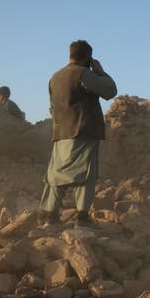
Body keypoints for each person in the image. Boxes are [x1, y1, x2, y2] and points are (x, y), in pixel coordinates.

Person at [38, 40, 117, 229]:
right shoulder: (84, 74)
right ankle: (82, 217)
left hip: (61, 133)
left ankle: (50, 215)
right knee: (85, 172)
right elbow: (110, 91)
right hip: (83, 131)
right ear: (88, 58)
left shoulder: (54, 77)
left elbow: (52, 106)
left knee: (57, 173)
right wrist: (100, 71)